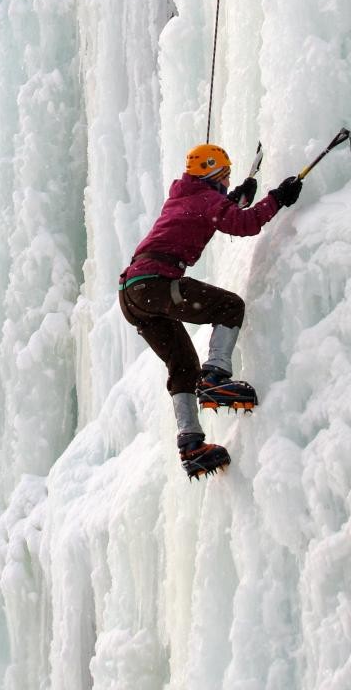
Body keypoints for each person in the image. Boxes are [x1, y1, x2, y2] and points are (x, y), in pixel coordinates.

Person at [119, 143, 302, 479]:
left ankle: (191, 444)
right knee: (229, 307)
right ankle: (216, 378)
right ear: (213, 172)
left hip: (133, 294)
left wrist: (236, 197)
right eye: (225, 174)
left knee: (183, 366)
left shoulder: (184, 196)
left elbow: (213, 215)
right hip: (156, 284)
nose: (227, 178)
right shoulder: (206, 199)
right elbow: (242, 224)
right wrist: (277, 198)